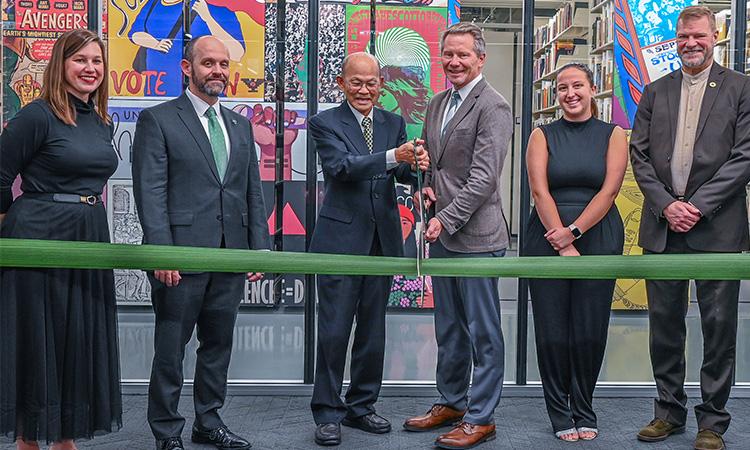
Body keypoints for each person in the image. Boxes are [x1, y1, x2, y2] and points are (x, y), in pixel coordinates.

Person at [132, 35, 269, 450]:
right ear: (187, 68)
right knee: (171, 349)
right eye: (209, 63)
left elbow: (251, 191)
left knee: (217, 344)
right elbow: (149, 193)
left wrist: (257, 246)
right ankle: (167, 430)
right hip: (180, 256)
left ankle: (208, 421)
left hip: (229, 254)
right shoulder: (158, 120)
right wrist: (163, 252)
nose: (218, 72)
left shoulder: (239, 125)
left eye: (224, 65)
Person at [630, 6, 750, 450]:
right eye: (682, 37)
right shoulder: (654, 91)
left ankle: (712, 422)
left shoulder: (741, 89)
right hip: (664, 229)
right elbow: (638, 157)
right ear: (675, 40)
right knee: (664, 326)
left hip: (719, 229)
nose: (690, 44)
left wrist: (696, 206)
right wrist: (667, 206)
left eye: (697, 36)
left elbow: (745, 156)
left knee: (719, 329)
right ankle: (668, 413)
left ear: (714, 35)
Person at [0, 29, 122, 450]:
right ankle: (29, 439)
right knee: (39, 340)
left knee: (76, 339)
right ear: (60, 65)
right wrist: (10, 238)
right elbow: (0, 177)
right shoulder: (37, 115)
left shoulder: (102, 120)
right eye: (80, 60)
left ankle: (64, 436)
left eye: (97, 61)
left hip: (88, 235)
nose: (91, 68)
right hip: (37, 236)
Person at [308, 52, 429, 447]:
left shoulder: (393, 123)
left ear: (381, 85)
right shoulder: (324, 123)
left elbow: (403, 173)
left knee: (373, 332)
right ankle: (327, 412)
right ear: (341, 83)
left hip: (382, 243)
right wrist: (396, 156)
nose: (364, 90)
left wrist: (418, 166)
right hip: (340, 244)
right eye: (356, 82)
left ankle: (361, 407)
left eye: (371, 83)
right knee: (334, 331)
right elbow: (341, 169)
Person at [402, 22, 513, 450]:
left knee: (483, 332)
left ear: (480, 59)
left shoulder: (494, 106)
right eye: (448, 53)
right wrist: (423, 184)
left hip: (477, 237)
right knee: (448, 329)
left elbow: (485, 179)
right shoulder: (436, 103)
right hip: (443, 234)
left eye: (463, 54)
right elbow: (433, 165)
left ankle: (481, 417)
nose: (454, 61)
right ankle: (452, 402)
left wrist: (445, 217)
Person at [524, 63, 627, 442]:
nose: (570, 93)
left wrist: (575, 232)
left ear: (592, 88)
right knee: (552, 329)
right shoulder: (541, 134)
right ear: (556, 93)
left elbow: (610, 190)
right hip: (547, 237)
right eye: (562, 87)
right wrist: (562, 239)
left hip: (598, 236)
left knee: (589, 328)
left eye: (578, 85)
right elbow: (539, 191)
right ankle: (559, 412)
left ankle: (584, 407)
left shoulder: (613, 134)